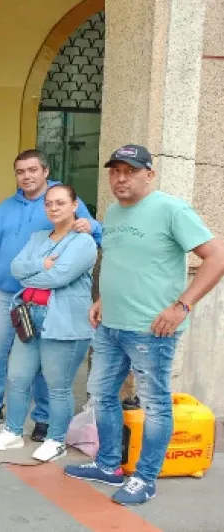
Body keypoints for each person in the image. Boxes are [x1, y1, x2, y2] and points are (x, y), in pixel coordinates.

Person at [64, 145, 224, 505]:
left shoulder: (171, 209)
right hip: (110, 326)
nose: (120, 178)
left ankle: (145, 478)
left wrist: (182, 305)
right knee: (102, 394)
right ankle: (108, 466)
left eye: (130, 171)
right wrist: (104, 299)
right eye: (115, 171)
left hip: (152, 331)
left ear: (149, 175)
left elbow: (217, 256)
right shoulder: (113, 212)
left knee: (155, 404)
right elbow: (123, 261)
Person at [0, 149, 101, 442]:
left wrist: (95, 226)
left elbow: (92, 233)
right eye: (21, 171)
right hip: (5, 295)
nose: (26, 176)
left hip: (47, 300)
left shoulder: (59, 200)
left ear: (45, 172)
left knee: (42, 363)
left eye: (32, 170)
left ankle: (42, 419)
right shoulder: (5, 207)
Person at [0, 184, 97, 462]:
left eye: (60, 203)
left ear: (74, 206)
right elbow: (15, 268)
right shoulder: (38, 237)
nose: (54, 208)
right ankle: (12, 431)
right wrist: (41, 265)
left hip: (63, 323)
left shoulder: (84, 242)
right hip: (30, 316)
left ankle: (56, 439)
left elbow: (59, 276)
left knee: (57, 385)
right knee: (18, 377)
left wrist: (35, 271)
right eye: (49, 204)